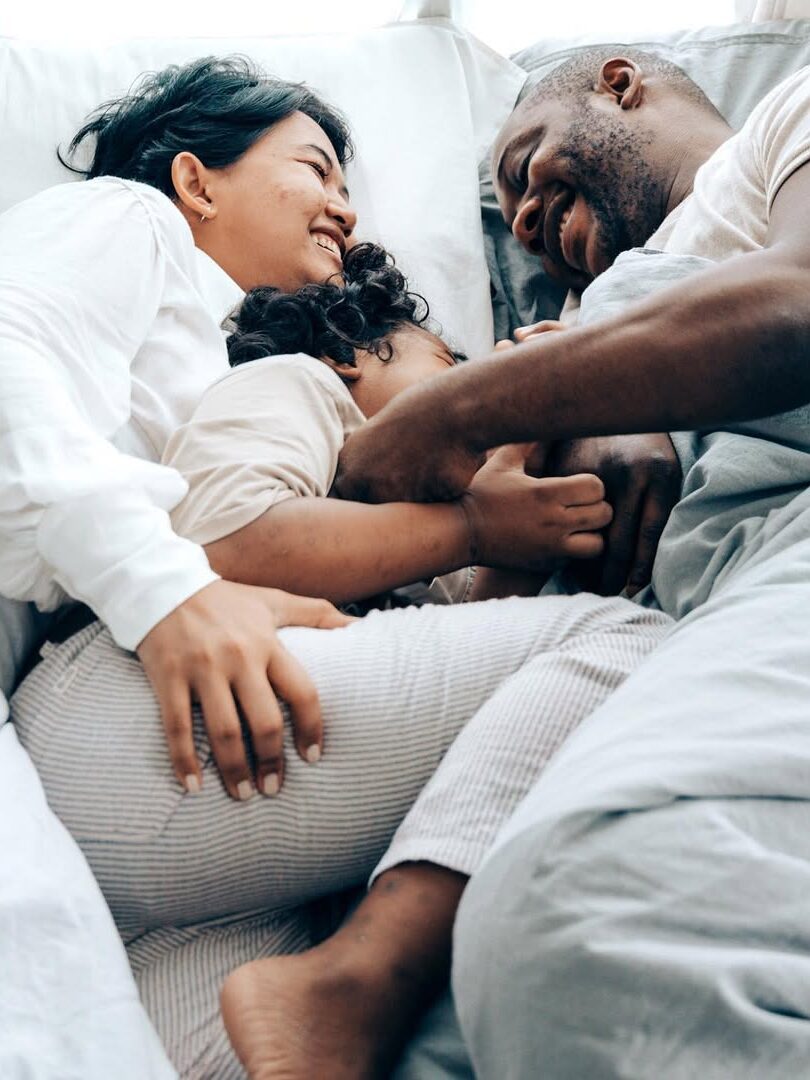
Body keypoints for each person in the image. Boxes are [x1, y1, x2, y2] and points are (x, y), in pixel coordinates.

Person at [10, 239, 674, 1079]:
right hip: (133, 716)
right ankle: (355, 981)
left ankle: (329, 992)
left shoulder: (403, 557)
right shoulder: (303, 386)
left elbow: (469, 723)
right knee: (626, 645)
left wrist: (514, 481)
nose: (470, 390)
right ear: (350, 353)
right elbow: (228, 540)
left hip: (202, 855)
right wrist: (473, 523)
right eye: (450, 364)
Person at [335, 47, 810, 1078]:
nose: (518, 223)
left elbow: (800, 305)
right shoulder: (577, 328)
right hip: (693, 618)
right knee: (440, 1046)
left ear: (618, 83)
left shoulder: (788, 124)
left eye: (523, 167)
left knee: (582, 933)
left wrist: (461, 409)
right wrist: (599, 408)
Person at [0, 55, 360, 808]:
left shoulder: (228, 355)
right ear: (196, 185)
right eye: (316, 170)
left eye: (346, 190)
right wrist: (161, 589)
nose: (346, 210)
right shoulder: (130, 217)